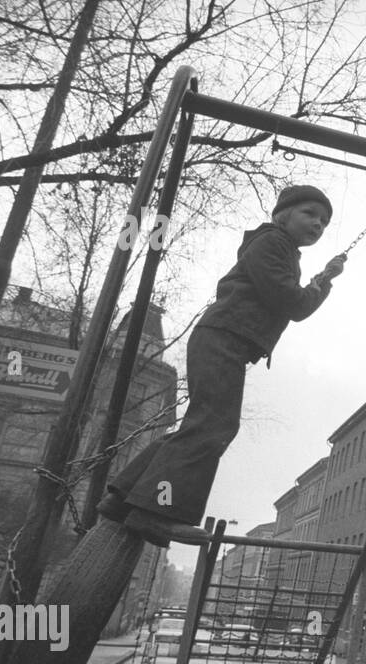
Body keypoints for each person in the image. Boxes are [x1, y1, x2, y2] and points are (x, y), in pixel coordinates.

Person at [97, 185, 346, 546]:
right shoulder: (273, 243)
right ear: (283, 214)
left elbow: (287, 297)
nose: (318, 224)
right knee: (214, 427)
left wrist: (321, 279)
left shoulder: (278, 247)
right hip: (225, 339)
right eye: (310, 214)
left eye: (323, 222)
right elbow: (293, 303)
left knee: (202, 424)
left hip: (224, 339)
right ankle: (155, 512)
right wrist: (323, 284)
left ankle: (122, 498)